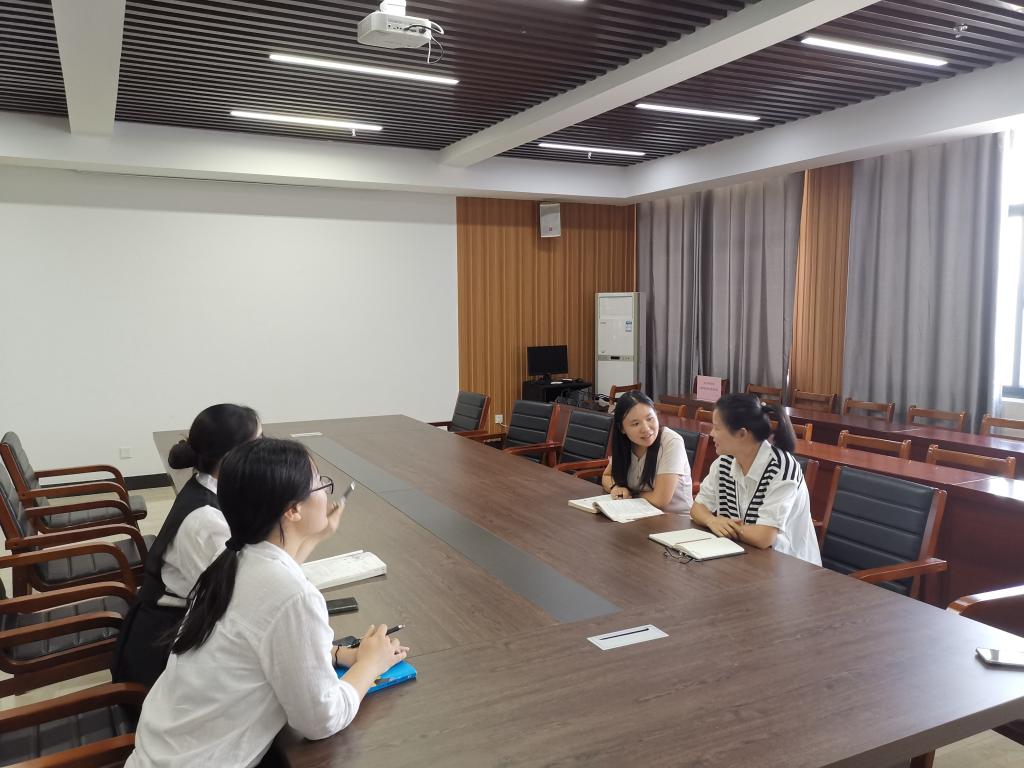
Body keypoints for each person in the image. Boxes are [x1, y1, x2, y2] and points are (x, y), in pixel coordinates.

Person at [125, 438, 407, 767]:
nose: (327, 493)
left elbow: (265, 623)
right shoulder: (291, 596)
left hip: (160, 754)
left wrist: (333, 653)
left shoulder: (231, 559)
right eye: (319, 483)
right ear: (293, 510)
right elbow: (321, 720)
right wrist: (370, 664)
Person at [111, 403, 261, 687]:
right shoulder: (207, 521)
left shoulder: (204, 486)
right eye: (259, 442)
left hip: (175, 626)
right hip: (163, 653)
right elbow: (233, 604)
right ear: (232, 456)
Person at [689, 393, 821, 565]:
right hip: (742, 557)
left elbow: (763, 537)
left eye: (717, 428)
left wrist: (726, 527)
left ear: (742, 433)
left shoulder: (782, 468)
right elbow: (697, 508)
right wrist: (712, 520)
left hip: (789, 565)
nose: (711, 433)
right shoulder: (724, 463)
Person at [600, 390, 693, 514]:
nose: (646, 429)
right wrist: (616, 487)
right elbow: (606, 476)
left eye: (650, 419)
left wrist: (630, 493)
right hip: (638, 513)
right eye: (635, 424)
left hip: (674, 518)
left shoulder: (671, 441)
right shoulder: (626, 443)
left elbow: (660, 500)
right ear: (622, 429)